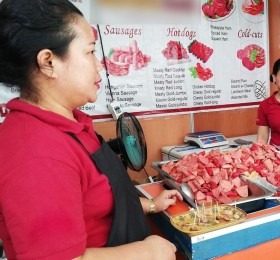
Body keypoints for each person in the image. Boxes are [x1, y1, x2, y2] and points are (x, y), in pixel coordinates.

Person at [0, 0, 182, 259]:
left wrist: (151, 205)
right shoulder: (36, 154)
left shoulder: (71, 123)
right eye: (89, 52)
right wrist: (148, 252)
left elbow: (93, 201)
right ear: (49, 62)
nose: (100, 65)